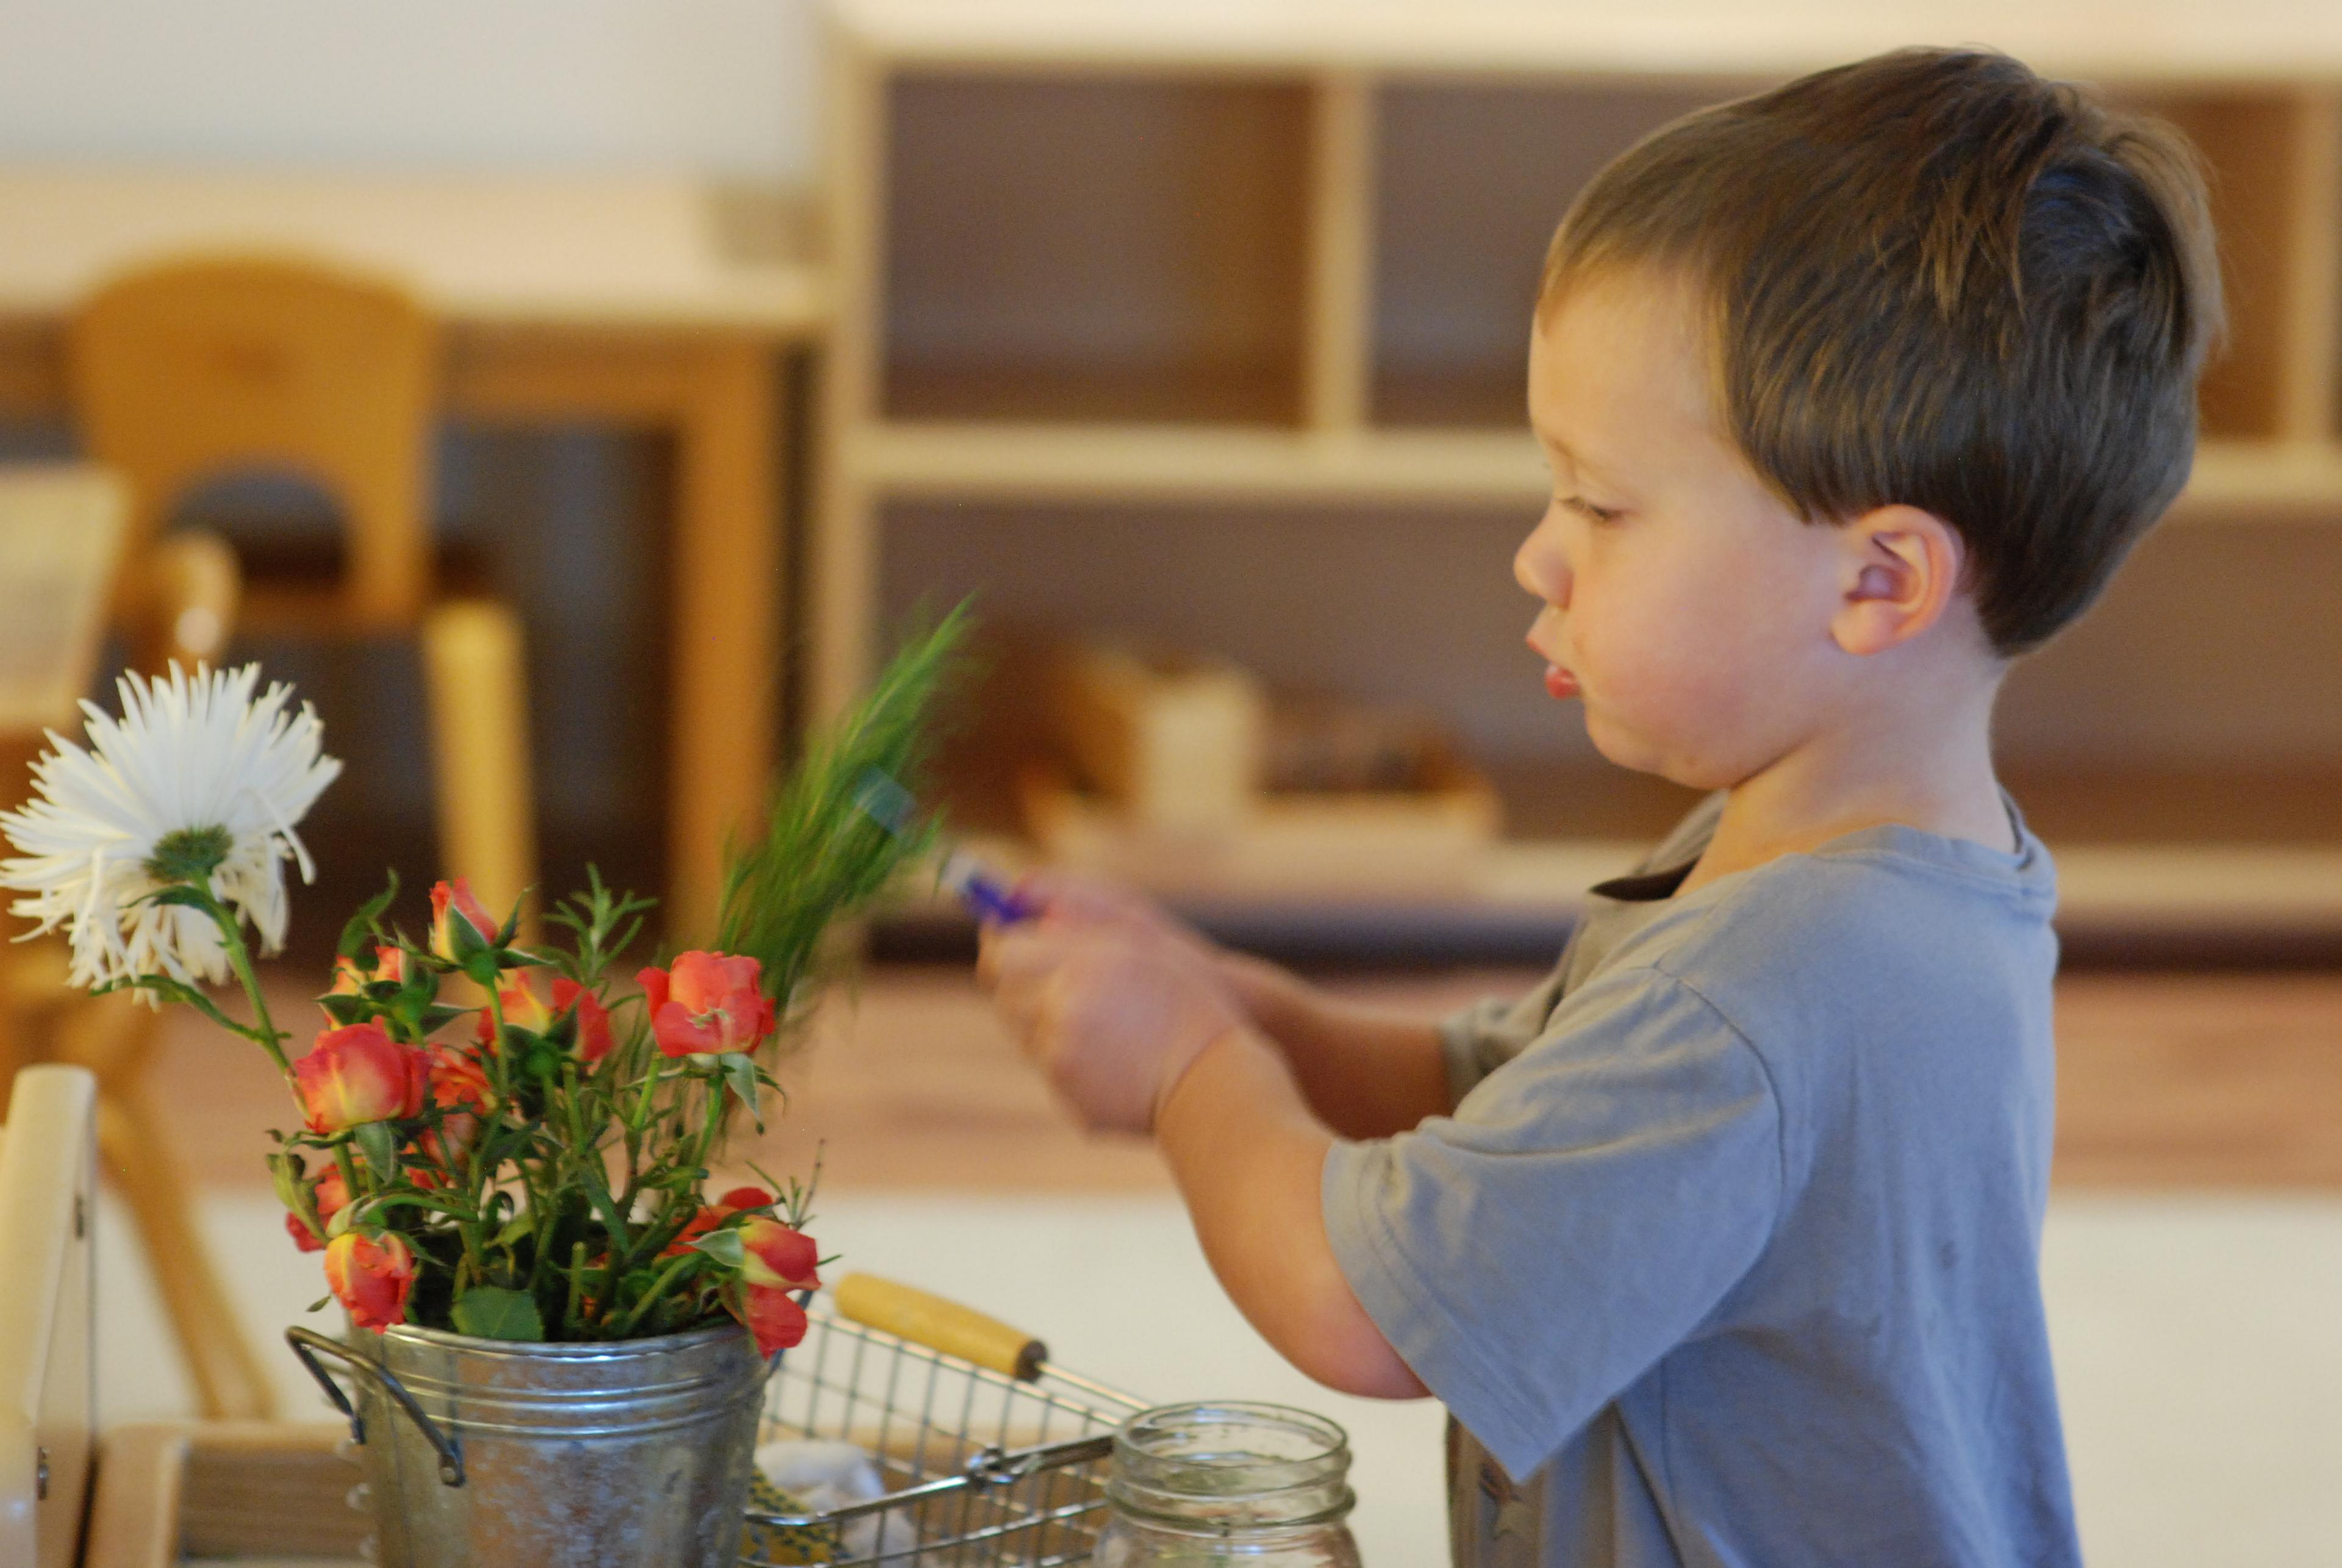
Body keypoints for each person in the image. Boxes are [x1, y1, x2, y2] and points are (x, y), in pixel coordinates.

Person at [978, 46, 2219, 1567]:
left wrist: (1184, 1068)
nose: (1540, 555)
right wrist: (1246, 1009)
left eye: (1602, 504)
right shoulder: (1857, 872)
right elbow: (1518, 1114)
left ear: (1878, 581)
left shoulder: (1766, 988)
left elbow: (1358, 1305)